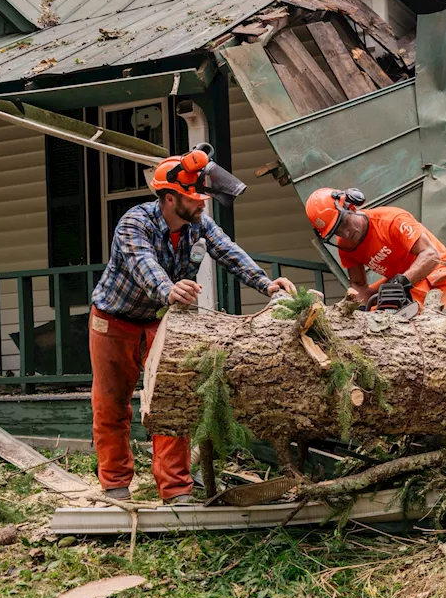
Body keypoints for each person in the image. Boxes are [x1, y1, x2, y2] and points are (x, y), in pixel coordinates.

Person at [89, 147, 295, 504]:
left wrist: (265, 283)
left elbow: (229, 251)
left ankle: (176, 489)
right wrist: (169, 289)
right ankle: (115, 484)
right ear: (170, 198)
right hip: (113, 321)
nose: (202, 204)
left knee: (173, 403)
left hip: (160, 322)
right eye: (193, 198)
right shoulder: (135, 222)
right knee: (111, 405)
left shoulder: (198, 224)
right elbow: (143, 265)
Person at [304, 187, 446, 311]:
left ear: (351, 207)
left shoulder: (391, 220)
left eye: (344, 223)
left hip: (435, 272)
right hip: (400, 280)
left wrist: (401, 283)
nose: (346, 233)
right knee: (375, 308)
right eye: (337, 230)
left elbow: (430, 254)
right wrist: (358, 311)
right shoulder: (346, 245)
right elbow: (358, 285)